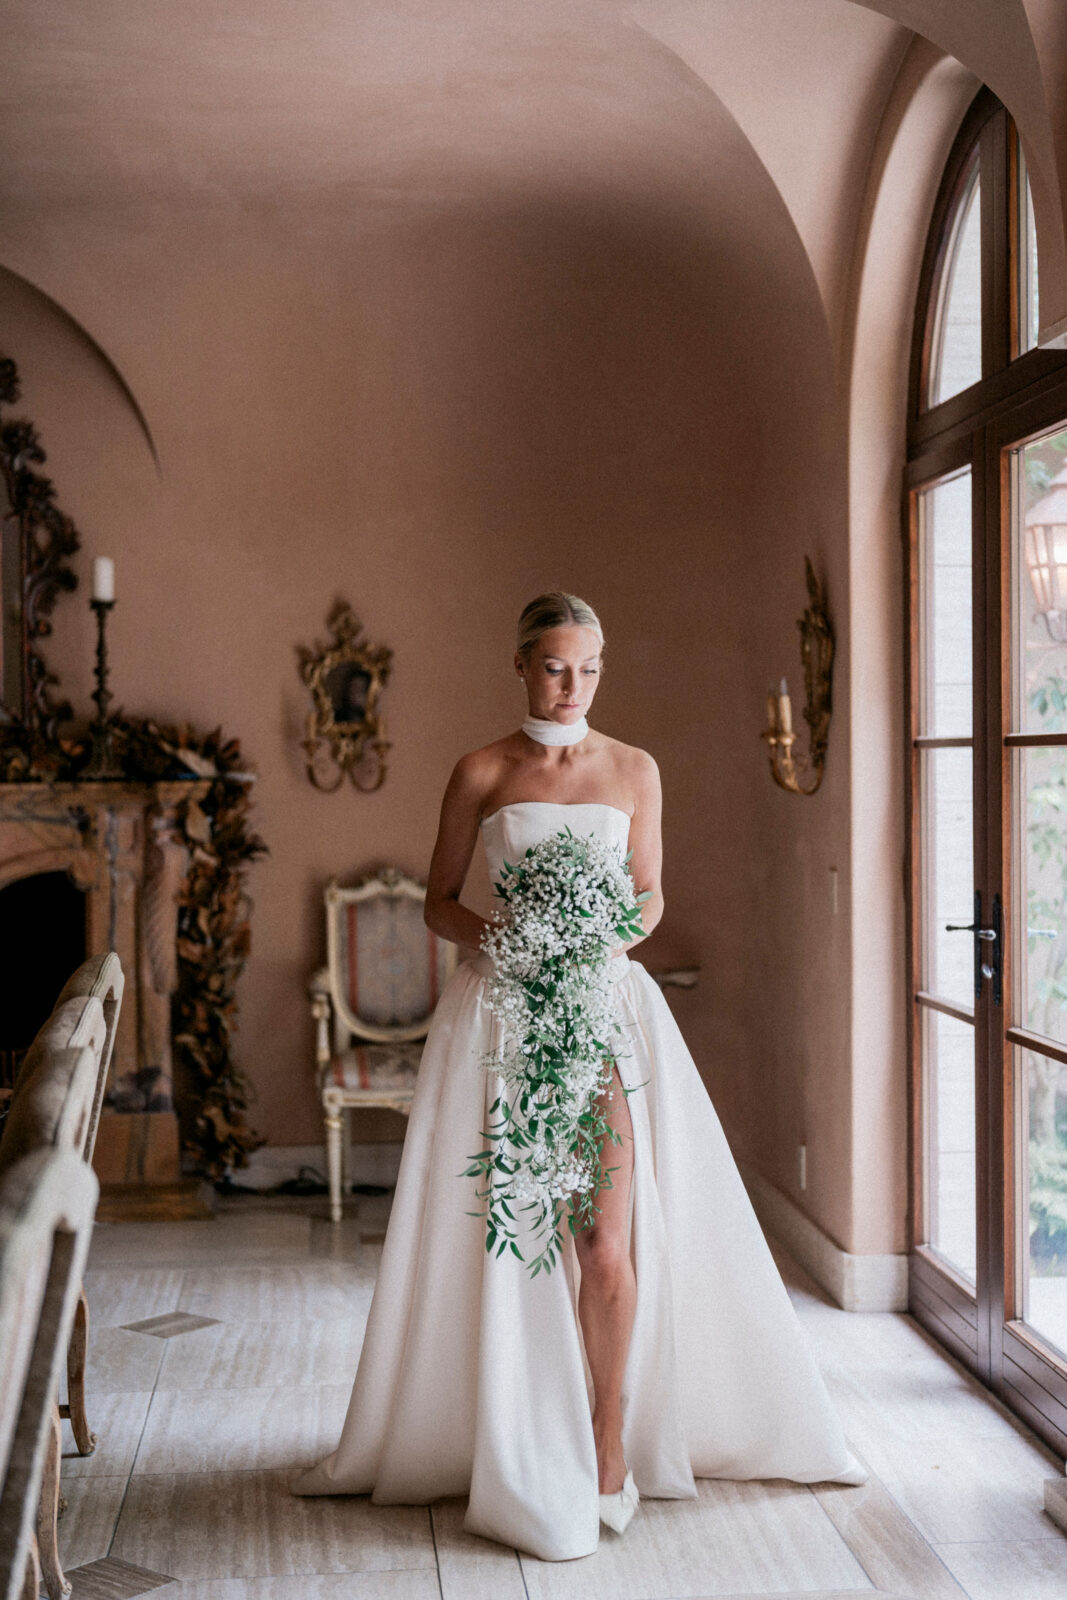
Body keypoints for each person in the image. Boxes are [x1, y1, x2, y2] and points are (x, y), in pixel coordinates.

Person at [291, 590, 867, 1562]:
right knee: (521, 1240)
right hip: (503, 1015)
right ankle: (518, 1432)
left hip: (602, 1012)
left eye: (590, 668)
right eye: (556, 666)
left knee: (605, 1240)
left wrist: (592, 934)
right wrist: (512, 936)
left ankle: (607, 1439)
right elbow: (437, 903)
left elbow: (646, 899)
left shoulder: (635, 769)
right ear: (519, 664)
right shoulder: (479, 770)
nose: (573, 686)